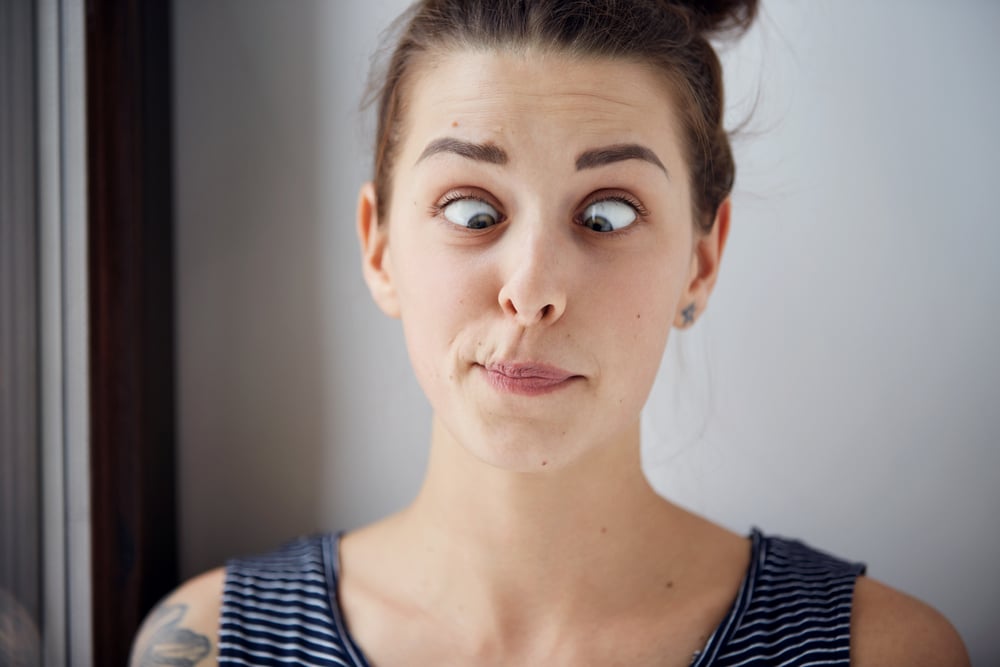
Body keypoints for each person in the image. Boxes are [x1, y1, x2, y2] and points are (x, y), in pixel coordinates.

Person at [131, 1, 971, 665]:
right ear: (380, 246)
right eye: (472, 211)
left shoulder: (879, 654)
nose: (532, 290)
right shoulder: (210, 645)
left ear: (701, 262)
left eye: (607, 214)